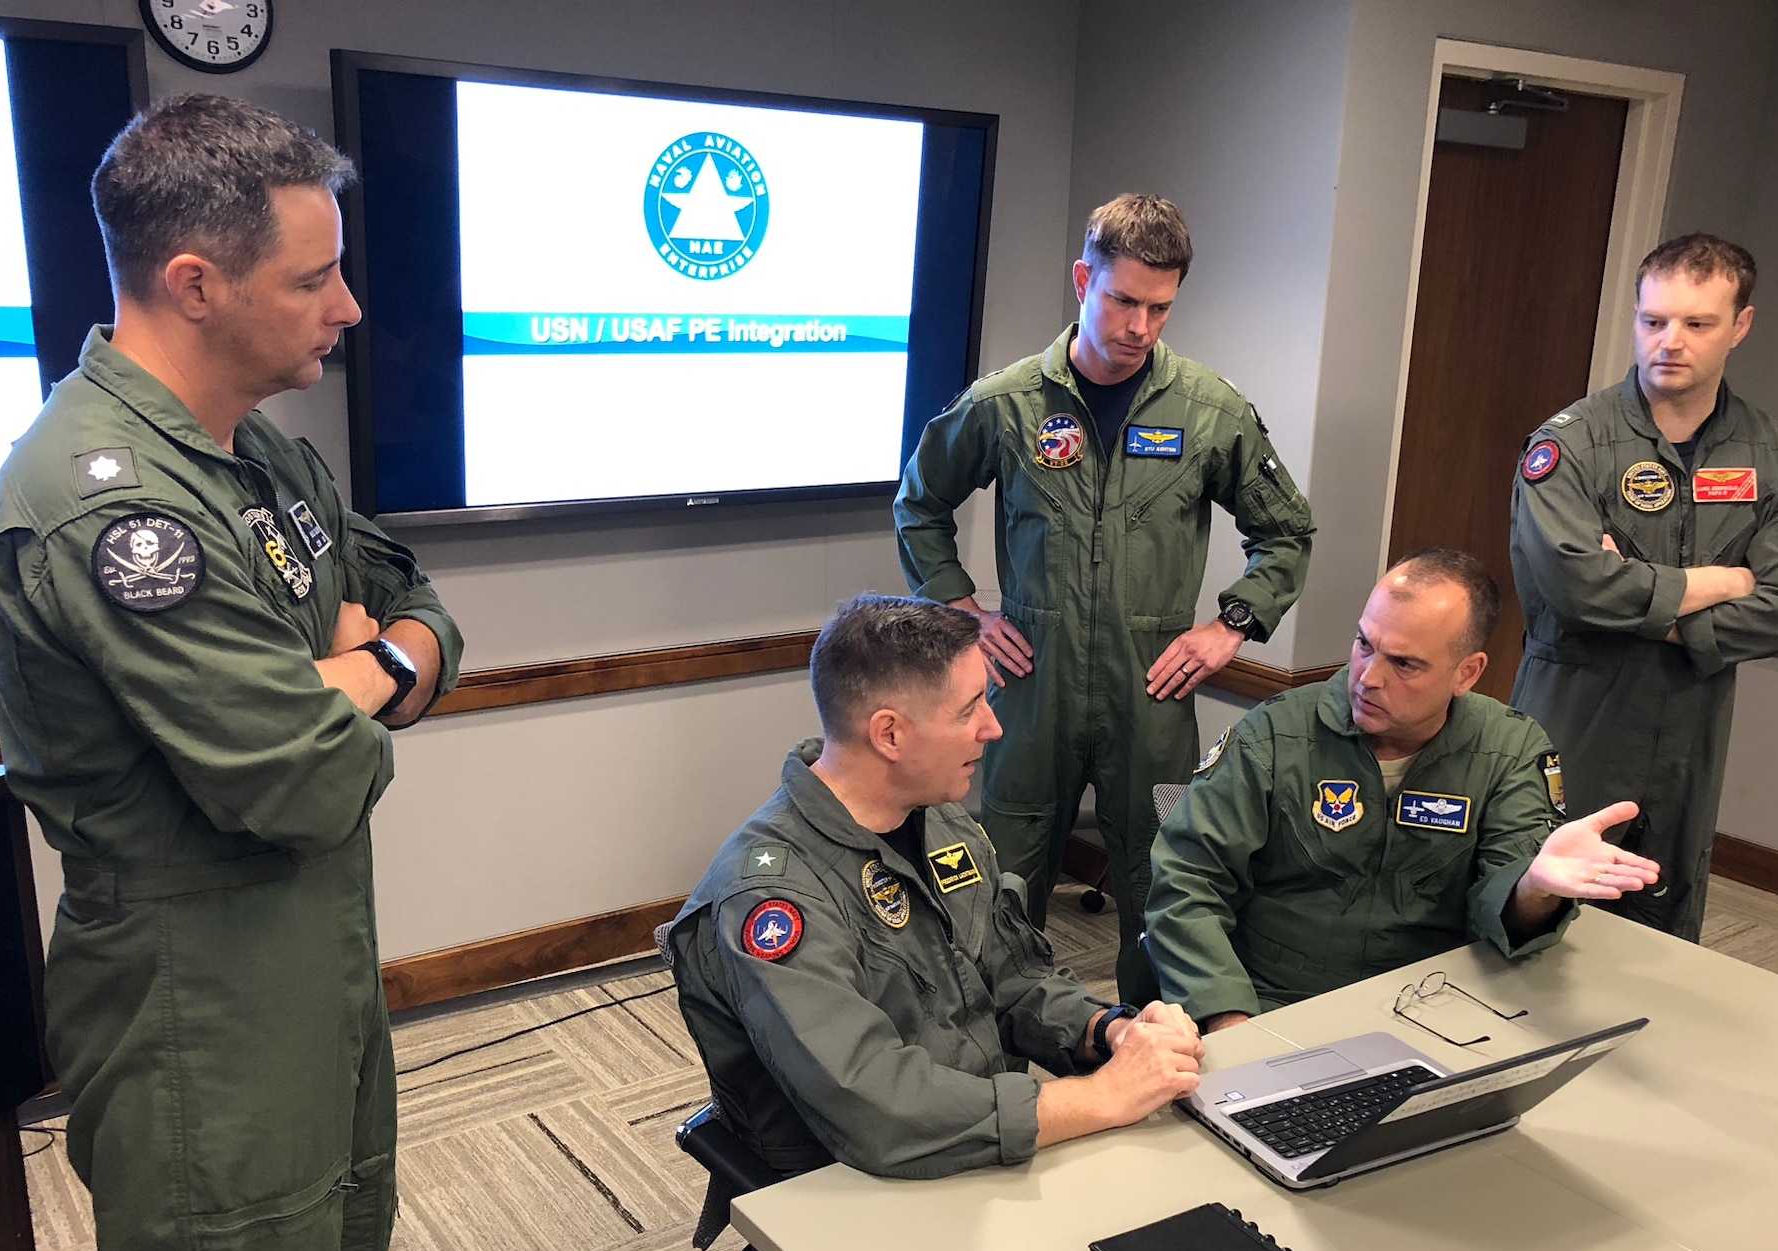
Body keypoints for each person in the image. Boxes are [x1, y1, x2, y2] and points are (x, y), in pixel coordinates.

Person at [0, 97, 474, 1251]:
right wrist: (371, 673)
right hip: (196, 989)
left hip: (312, 954)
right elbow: (299, 779)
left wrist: (359, 660)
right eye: (315, 277)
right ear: (196, 282)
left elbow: (426, 608)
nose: (353, 306)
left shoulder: (264, 453)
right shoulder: (103, 500)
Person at [892, 194, 1315, 1009]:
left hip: (1150, 689)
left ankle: (1151, 1044)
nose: (1139, 327)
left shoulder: (1208, 411)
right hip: (1030, 684)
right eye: (1123, 300)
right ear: (1084, 279)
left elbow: (1287, 532)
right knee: (1002, 876)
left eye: (1160, 307)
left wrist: (1232, 627)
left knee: (1167, 878)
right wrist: (961, 610)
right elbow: (920, 504)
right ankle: (998, 1053)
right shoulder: (1007, 404)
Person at [670, 594, 1206, 1182]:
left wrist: (1107, 1030)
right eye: (970, 707)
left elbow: (1015, 979)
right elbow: (877, 1107)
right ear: (890, 735)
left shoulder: (938, 819)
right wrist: (1098, 1099)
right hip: (864, 1182)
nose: (993, 726)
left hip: (982, 1140)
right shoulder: (773, 897)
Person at [1147, 550, 1660, 1032]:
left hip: (1432, 1008)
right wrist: (1231, 1024)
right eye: (1364, 644)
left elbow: (1503, 906)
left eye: (1405, 664)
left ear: (1468, 673)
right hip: (1275, 1002)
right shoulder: (1276, 734)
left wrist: (1533, 889)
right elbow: (1188, 884)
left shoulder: (1509, 749)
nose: (1367, 678)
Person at [1509, 233, 1778, 941]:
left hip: (1690, 726)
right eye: (1654, 321)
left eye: (1698, 323)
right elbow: (1577, 586)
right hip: (1574, 718)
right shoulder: (1571, 445)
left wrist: (1639, 598)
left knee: (1661, 928)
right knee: (1535, 913)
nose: (1671, 342)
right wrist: (1723, 581)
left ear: (1740, 326)